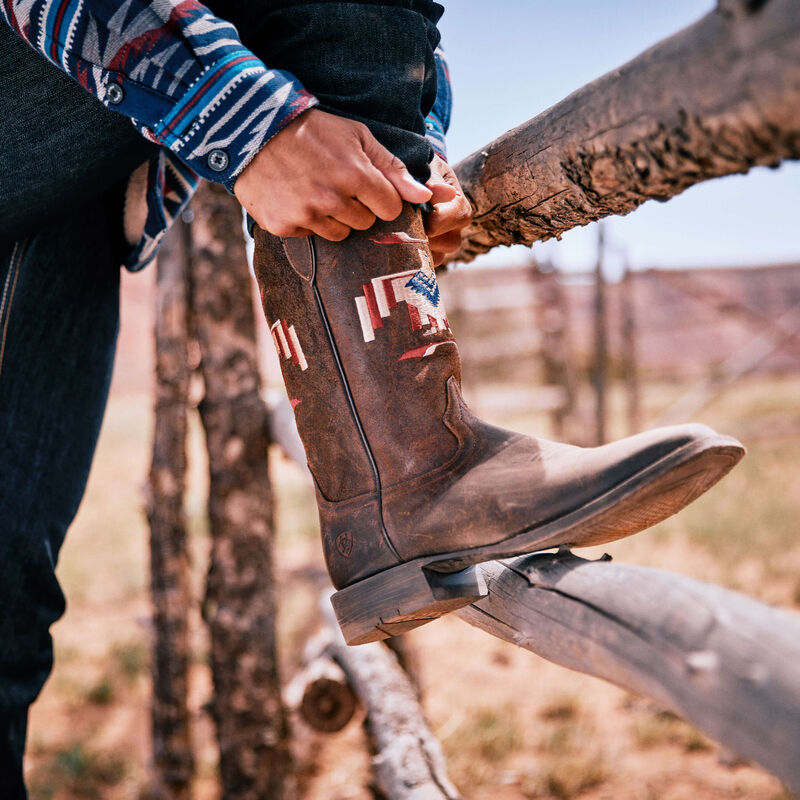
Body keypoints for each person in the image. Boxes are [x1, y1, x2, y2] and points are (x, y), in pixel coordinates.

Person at [0, 1, 744, 795]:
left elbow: (377, 33)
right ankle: (416, 479)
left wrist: (403, 166)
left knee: (7, 617)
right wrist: (253, 128)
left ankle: (406, 479)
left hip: (67, 211)